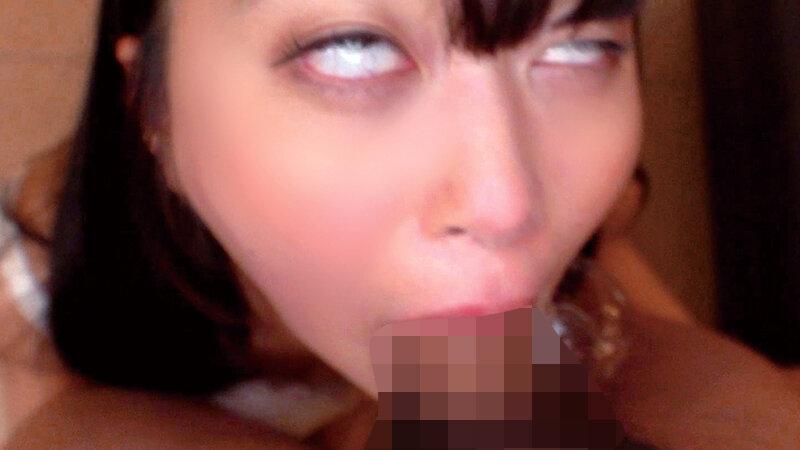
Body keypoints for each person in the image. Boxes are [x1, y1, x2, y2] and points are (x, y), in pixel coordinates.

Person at [1, 0, 800, 448]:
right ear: (152, 101)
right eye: (351, 50)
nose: (506, 205)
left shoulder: (593, 208)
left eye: (580, 48)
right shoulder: (27, 352)